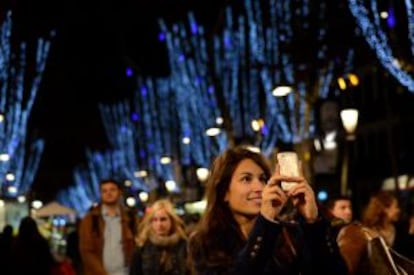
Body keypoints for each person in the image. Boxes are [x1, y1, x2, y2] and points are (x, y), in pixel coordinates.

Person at [188, 146, 347, 275]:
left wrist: (312, 222)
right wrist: (265, 223)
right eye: (246, 179)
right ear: (224, 192)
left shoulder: (289, 233)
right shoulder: (204, 242)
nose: (259, 187)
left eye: (263, 179)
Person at [337, 190, 414, 274]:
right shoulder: (366, 232)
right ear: (384, 209)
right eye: (395, 207)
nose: (398, 210)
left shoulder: (400, 229)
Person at [79, 179, 137, 275]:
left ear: (119, 192)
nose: (108, 193)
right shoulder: (90, 220)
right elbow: (86, 251)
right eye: (104, 191)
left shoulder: (130, 218)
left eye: (112, 190)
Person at [129, 198, 189, 275]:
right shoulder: (142, 247)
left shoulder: (183, 245)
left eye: (163, 219)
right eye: (155, 220)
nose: (159, 224)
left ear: (171, 220)